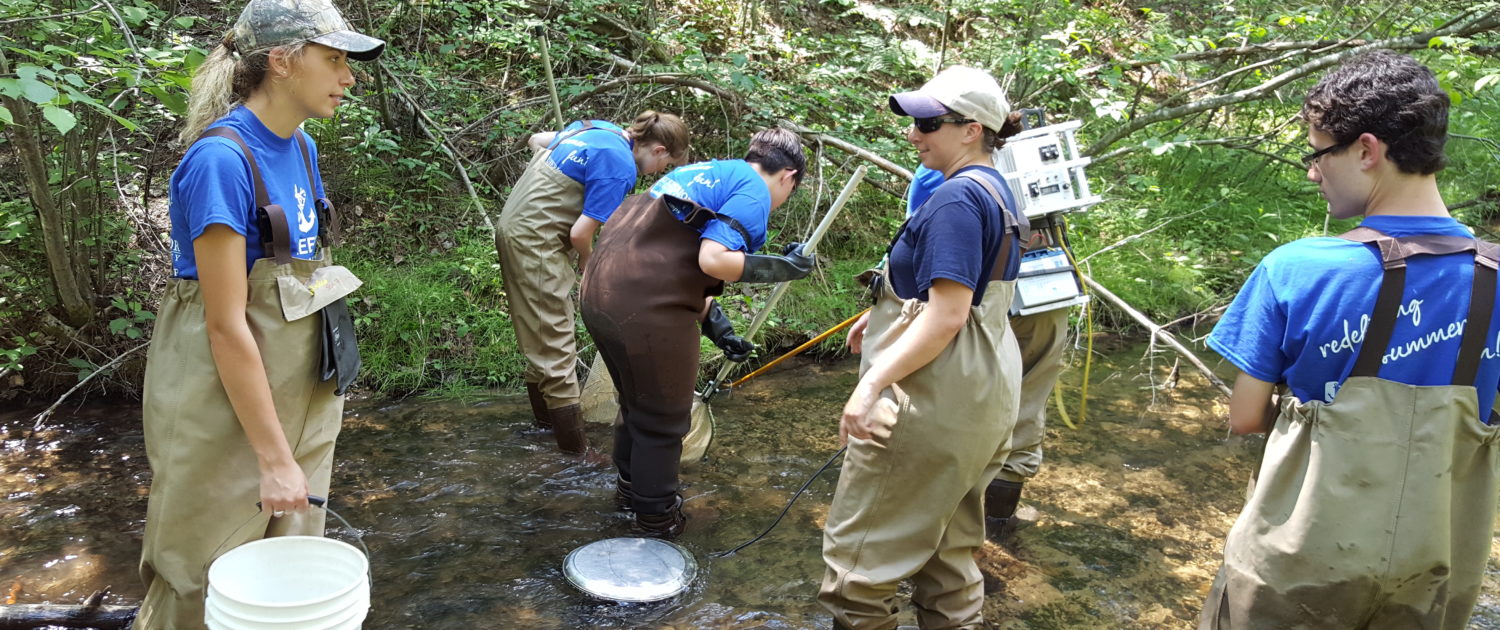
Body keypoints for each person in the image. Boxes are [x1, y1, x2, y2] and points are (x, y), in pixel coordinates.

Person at [1199, 50, 1500, 629]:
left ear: (1366, 150)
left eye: (1317, 151)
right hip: (1437, 567)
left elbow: (1244, 418)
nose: (1312, 171)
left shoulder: (1298, 268)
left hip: (1301, 563)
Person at [137, 1, 383, 628]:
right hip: (222, 401)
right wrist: (273, 456)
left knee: (291, 563)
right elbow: (224, 323)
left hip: (304, 391)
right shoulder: (221, 162)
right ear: (280, 62)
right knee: (204, 574)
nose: (348, 78)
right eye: (333, 61)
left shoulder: (300, 146)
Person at [820, 66, 1026, 628]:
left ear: (972, 130)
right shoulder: (996, 187)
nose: (913, 133)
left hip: (936, 396)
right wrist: (883, 309)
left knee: (858, 570)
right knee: (947, 557)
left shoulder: (957, 199)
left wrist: (870, 385)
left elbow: (948, 316)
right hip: (985, 391)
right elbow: (965, 292)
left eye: (929, 122)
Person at [580, 127, 814, 537]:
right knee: (664, 422)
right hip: (645, 306)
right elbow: (712, 259)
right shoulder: (754, 189)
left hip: (602, 293)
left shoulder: (705, 173)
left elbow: (672, 258)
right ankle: (657, 523)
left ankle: (628, 498)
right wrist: (782, 268)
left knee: (637, 407)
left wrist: (719, 329)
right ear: (788, 177)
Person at [496, 112, 689, 454]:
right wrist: (588, 261)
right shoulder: (620, 167)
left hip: (513, 229)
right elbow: (581, 233)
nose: (660, 172)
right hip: (537, 243)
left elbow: (538, 141)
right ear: (658, 150)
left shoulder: (599, 131)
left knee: (539, 335)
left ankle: (544, 432)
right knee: (556, 344)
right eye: (667, 164)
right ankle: (575, 457)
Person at [905, 163, 1071, 541]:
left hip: (974, 294)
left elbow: (921, 239)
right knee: (1026, 399)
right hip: (1042, 284)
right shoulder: (1015, 166)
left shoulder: (942, 169)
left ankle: (943, 524)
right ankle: (997, 528)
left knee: (955, 398)